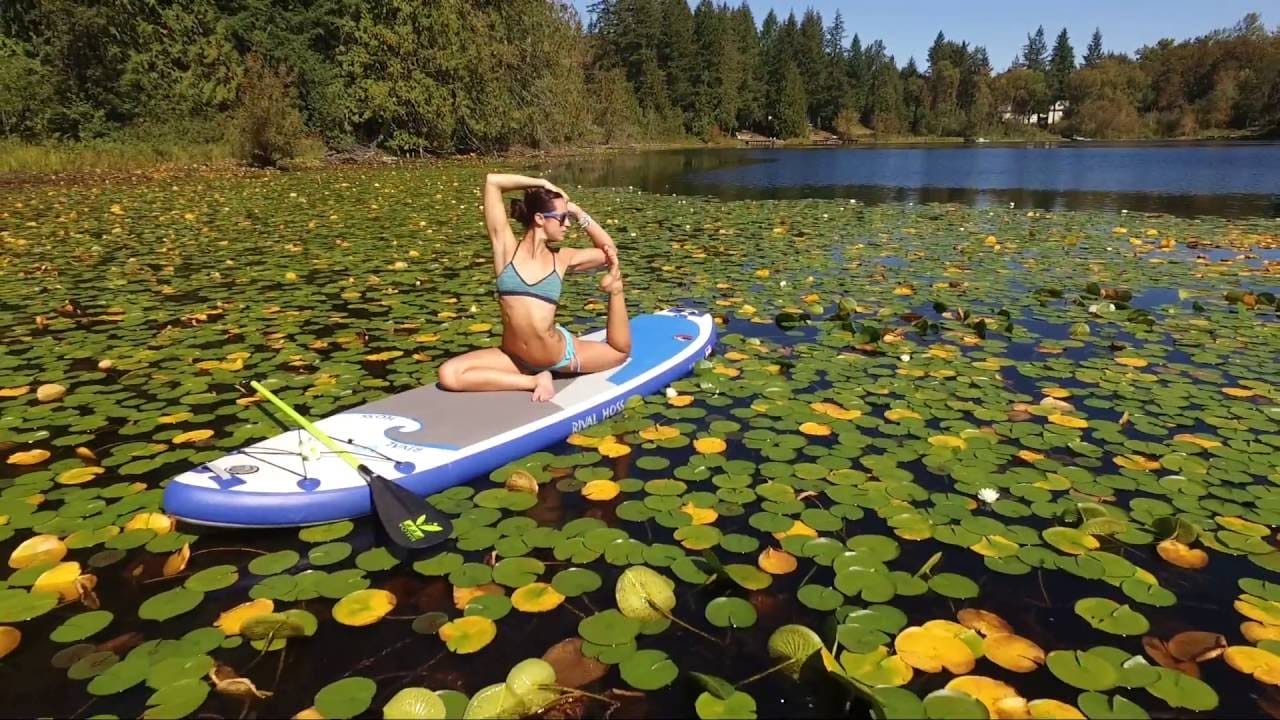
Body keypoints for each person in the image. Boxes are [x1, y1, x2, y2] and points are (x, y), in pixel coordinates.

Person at [436, 173, 631, 402]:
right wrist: (541, 183)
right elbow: (493, 182)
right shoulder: (506, 250)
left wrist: (578, 213)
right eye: (562, 218)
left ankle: (616, 290)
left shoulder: (562, 258)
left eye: (568, 218)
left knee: (619, 352)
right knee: (449, 374)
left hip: (559, 356)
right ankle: (534, 380)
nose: (568, 224)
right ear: (539, 218)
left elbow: (609, 252)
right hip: (515, 359)